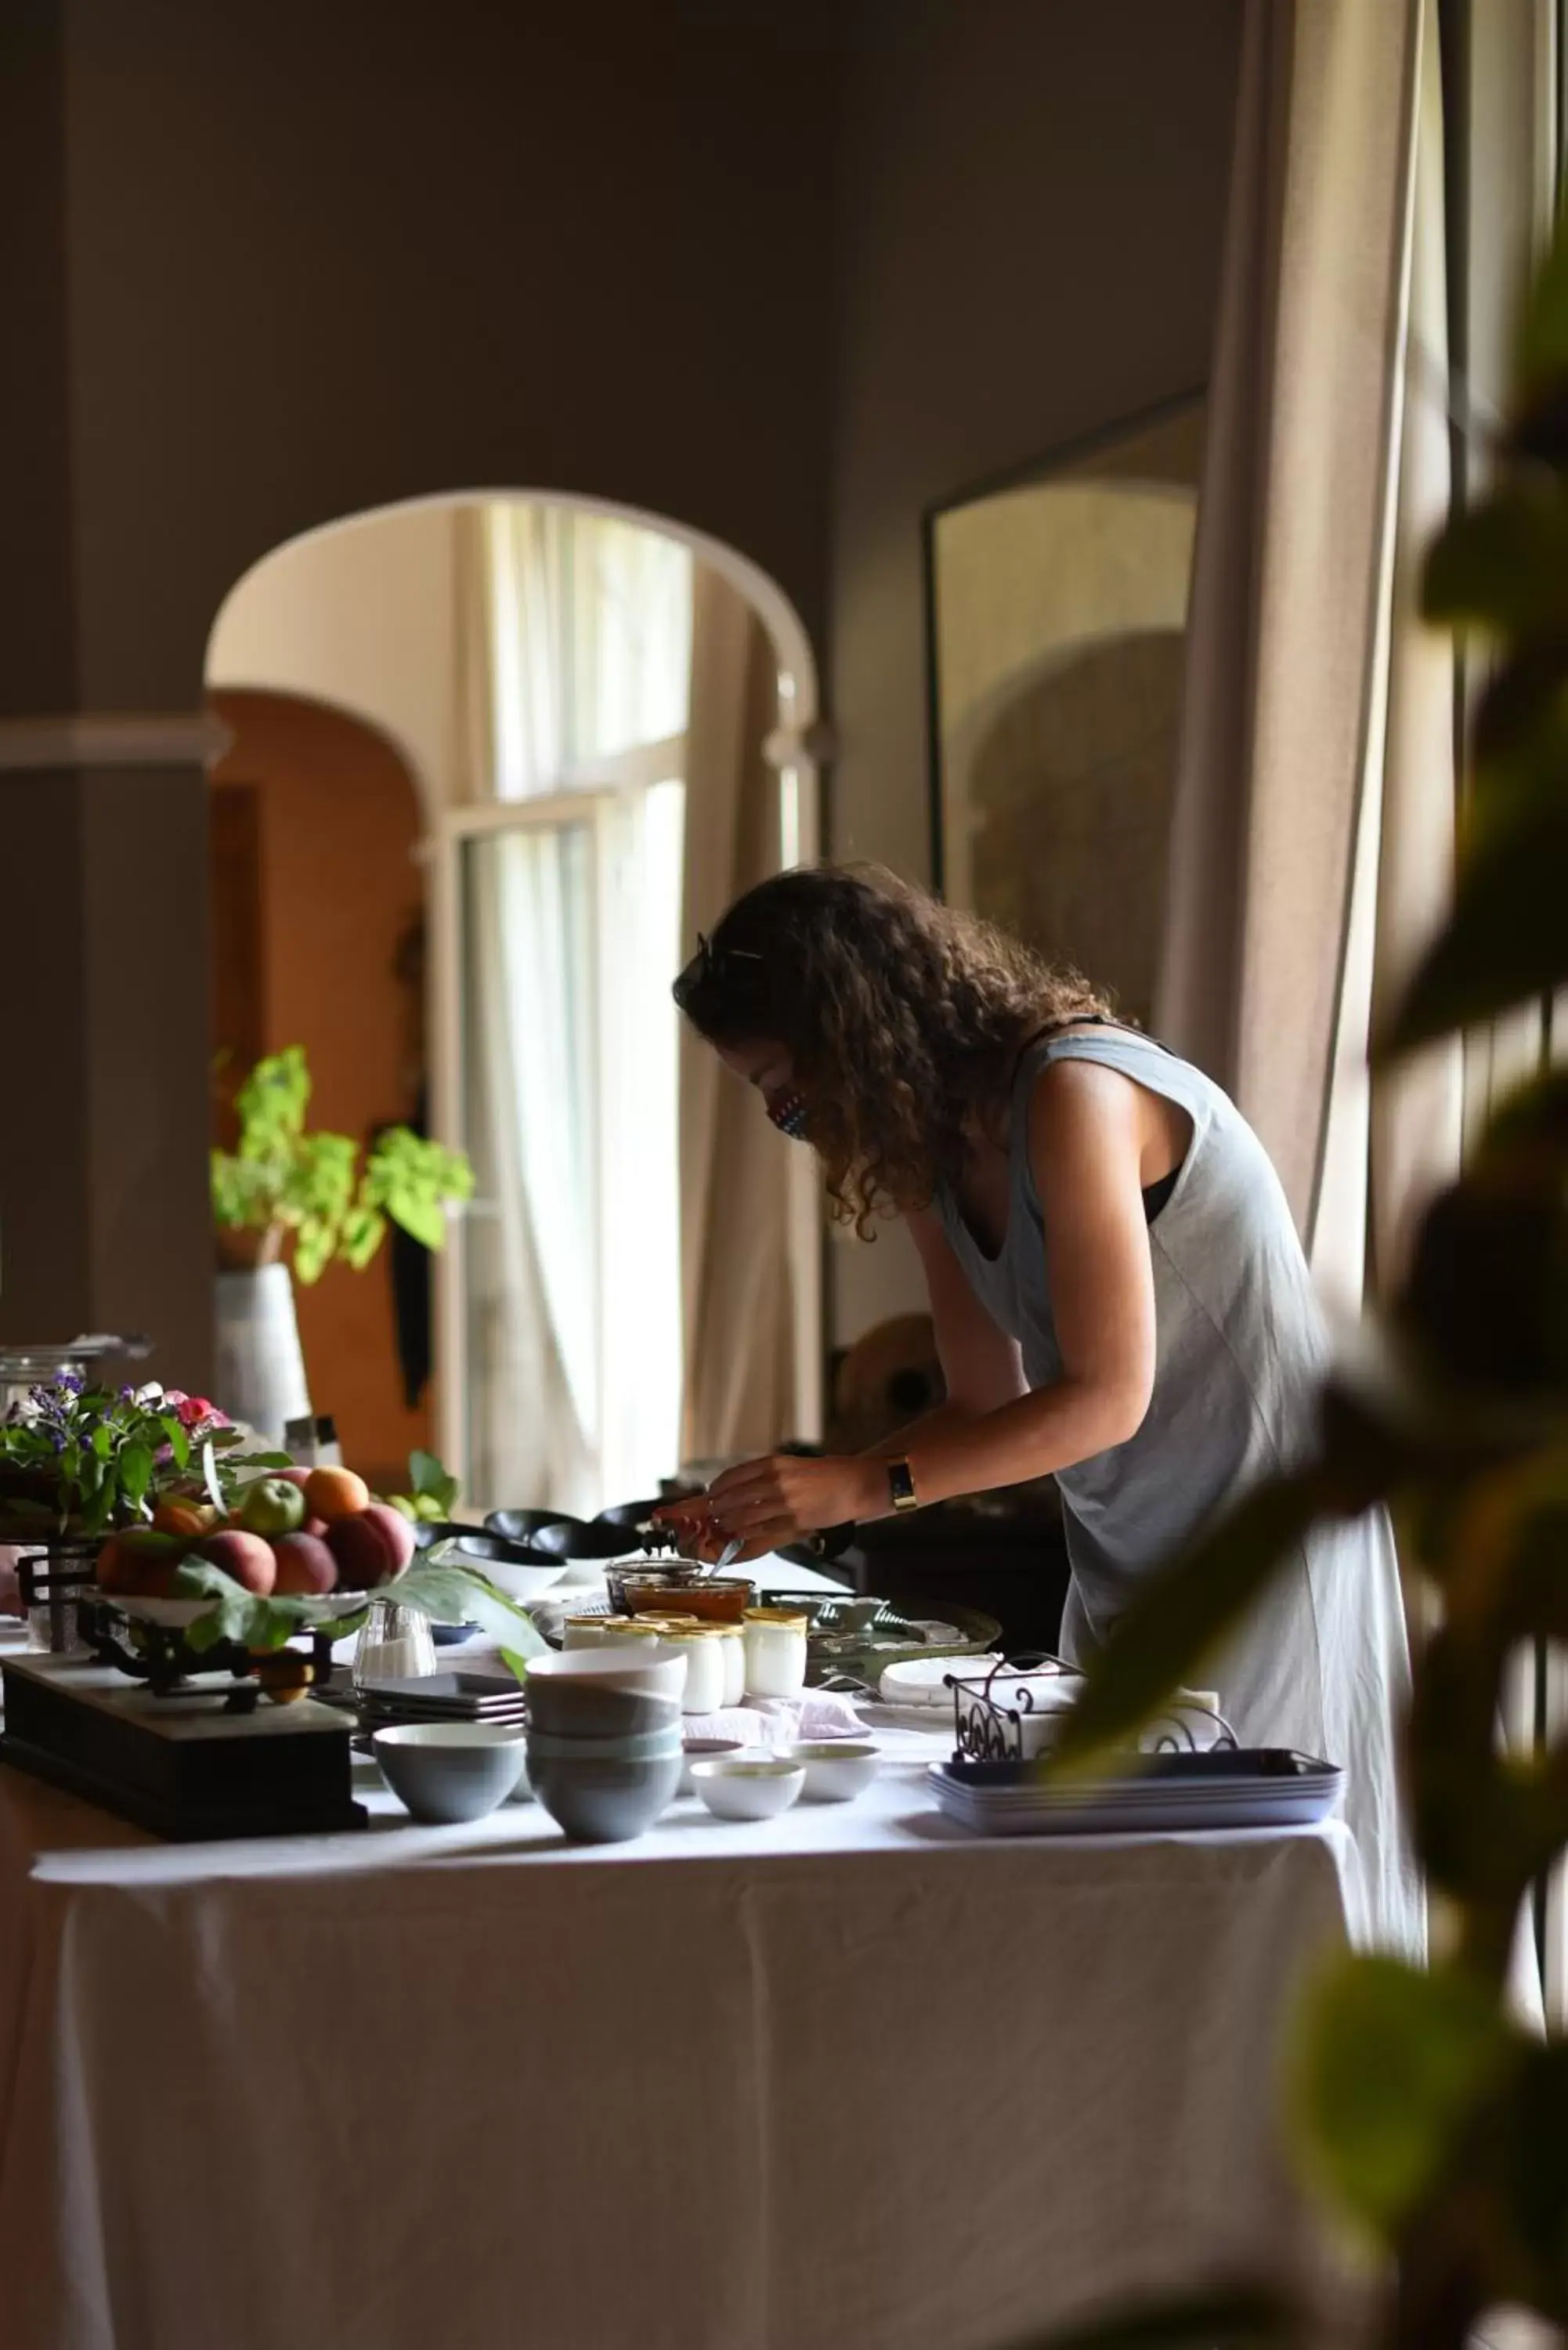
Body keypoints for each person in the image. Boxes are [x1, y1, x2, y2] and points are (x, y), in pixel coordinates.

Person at [658, 863, 1418, 1952]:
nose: (791, 1118)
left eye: (786, 1085)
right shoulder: (928, 1156)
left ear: (858, 1031)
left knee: (1260, 1916)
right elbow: (984, 1402)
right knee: (1144, 1916)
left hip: (1260, 1553)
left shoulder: (1076, 1093)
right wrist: (799, 1504)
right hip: (1125, 1556)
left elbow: (1105, 1397)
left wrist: (857, 1484)